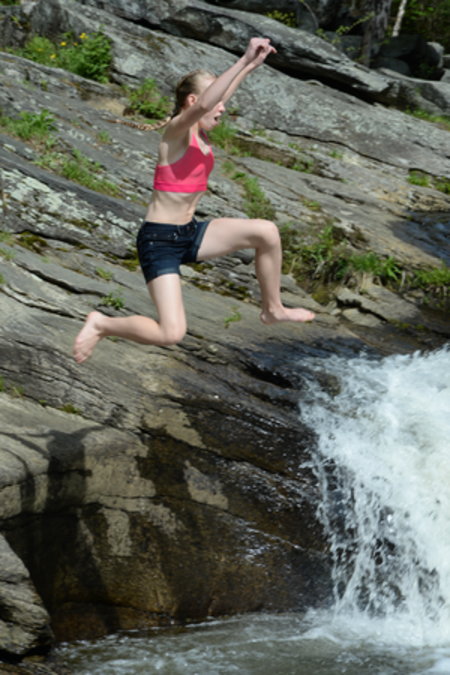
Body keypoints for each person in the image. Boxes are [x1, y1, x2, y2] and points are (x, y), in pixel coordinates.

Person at [73, 37, 315, 364]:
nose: (223, 107)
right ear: (192, 100)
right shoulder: (176, 132)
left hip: (190, 233)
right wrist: (242, 58)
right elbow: (205, 105)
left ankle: (273, 309)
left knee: (266, 232)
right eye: (215, 99)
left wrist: (250, 66)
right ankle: (102, 324)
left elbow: (216, 99)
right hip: (159, 241)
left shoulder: (201, 132)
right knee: (171, 333)